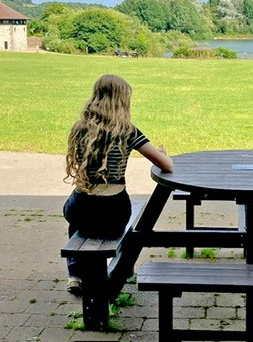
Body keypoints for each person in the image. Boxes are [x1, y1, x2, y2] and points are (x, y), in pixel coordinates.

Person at [63, 74, 174, 295]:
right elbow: (166, 166)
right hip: (114, 211)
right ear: (123, 100)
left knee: (74, 219)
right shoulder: (128, 131)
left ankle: (75, 274)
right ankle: (122, 267)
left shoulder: (80, 128)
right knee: (119, 217)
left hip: (82, 207)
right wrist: (162, 154)